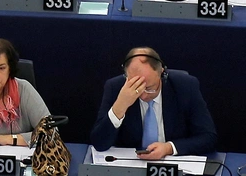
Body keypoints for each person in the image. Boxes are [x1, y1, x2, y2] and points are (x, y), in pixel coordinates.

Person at [88, 48, 217, 157]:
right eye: (136, 88)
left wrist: (169, 148)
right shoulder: (115, 88)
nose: (143, 95)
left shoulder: (185, 86)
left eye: (149, 88)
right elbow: (99, 144)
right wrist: (120, 106)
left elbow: (208, 138)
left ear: (162, 73)